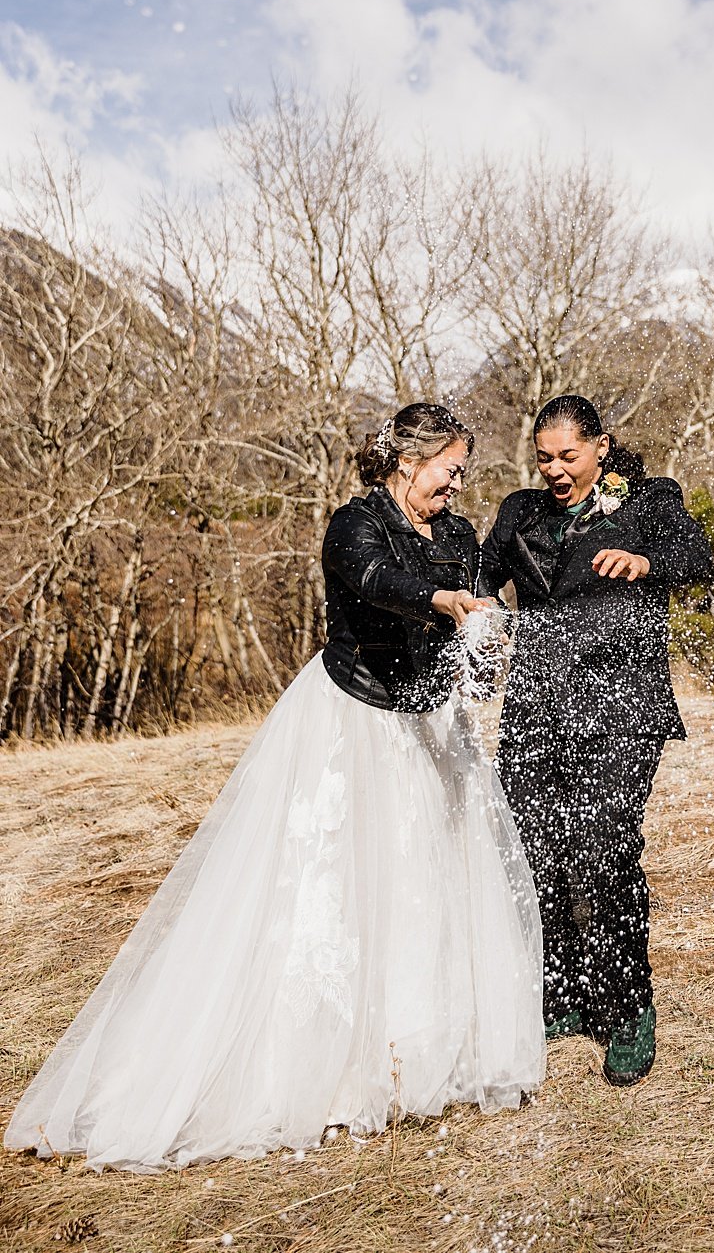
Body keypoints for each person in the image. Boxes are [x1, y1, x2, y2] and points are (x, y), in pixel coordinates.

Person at [4, 403, 544, 1172]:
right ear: (408, 461)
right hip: (351, 725)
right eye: (449, 470)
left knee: (425, 888)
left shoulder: (457, 537)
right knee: (336, 891)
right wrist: (438, 602)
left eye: (462, 473)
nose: (457, 486)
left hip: (430, 728)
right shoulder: (352, 525)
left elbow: (469, 622)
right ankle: (326, 1073)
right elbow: (377, 580)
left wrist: (483, 636)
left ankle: (413, 1055)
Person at [480, 395, 714, 1087]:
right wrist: (475, 612)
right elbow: (479, 580)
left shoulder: (647, 502)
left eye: (568, 455)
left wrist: (647, 563)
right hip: (533, 712)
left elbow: (696, 554)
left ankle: (627, 1007)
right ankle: (563, 995)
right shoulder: (519, 512)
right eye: (544, 457)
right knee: (534, 853)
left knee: (603, 853)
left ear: (601, 448)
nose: (554, 469)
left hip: (621, 712)